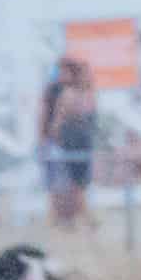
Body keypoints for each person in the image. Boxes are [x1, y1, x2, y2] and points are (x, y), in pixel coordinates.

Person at [38, 61, 97, 230]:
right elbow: (54, 119)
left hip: (76, 144)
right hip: (64, 144)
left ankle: (76, 219)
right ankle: (68, 219)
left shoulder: (81, 94)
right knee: (62, 184)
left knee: (76, 184)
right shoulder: (58, 92)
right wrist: (47, 140)